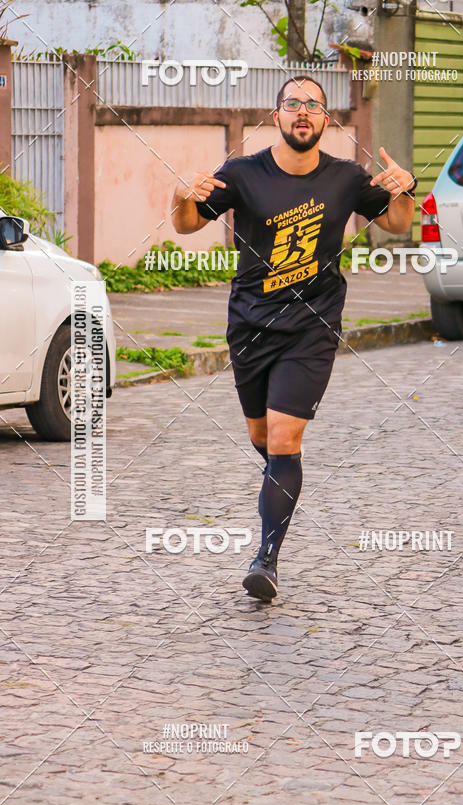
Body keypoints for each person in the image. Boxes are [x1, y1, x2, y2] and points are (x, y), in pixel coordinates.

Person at [171, 75, 416, 602]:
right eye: (292, 103)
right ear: (276, 114)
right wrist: (179, 196)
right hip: (250, 324)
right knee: (263, 438)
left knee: (285, 439)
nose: (303, 111)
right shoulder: (242, 173)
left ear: (326, 119)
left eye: (313, 105)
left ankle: (266, 559)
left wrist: (405, 190)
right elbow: (187, 225)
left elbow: (397, 224)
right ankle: (283, 482)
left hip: (312, 326)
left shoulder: (346, 178)